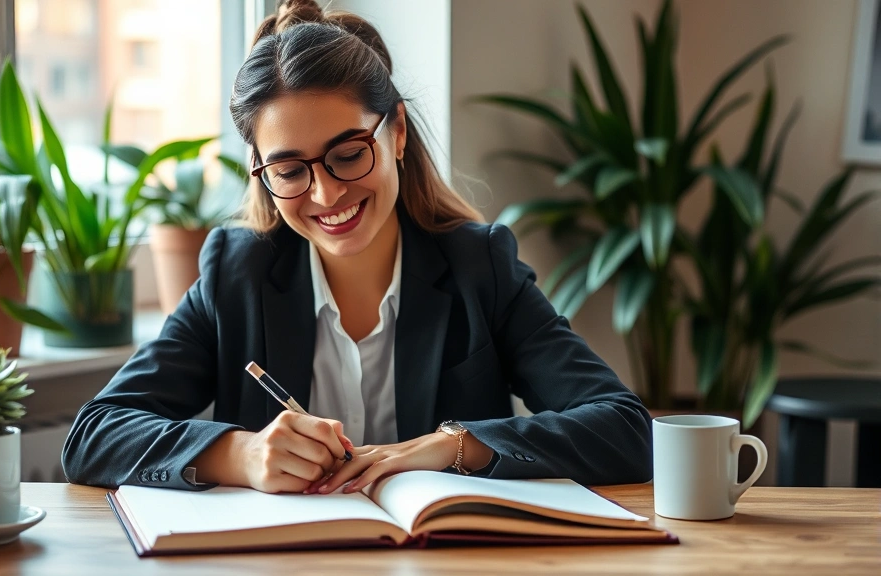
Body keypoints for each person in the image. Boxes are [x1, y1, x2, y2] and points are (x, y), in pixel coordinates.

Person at [62, 0, 652, 495]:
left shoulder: (481, 267)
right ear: (260, 172)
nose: (326, 194)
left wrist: (454, 446)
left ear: (396, 131)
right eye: (290, 170)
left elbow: (628, 429)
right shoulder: (235, 274)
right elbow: (93, 435)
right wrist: (238, 456)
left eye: (348, 155)